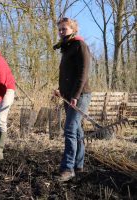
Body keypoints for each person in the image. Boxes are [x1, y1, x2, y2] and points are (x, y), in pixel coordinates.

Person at [53, 17, 92, 182]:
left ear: (73, 30)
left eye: (65, 29)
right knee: (76, 131)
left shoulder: (80, 45)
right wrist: (61, 90)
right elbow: (68, 74)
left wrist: (75, 96)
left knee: (69, 129)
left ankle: (68, 169)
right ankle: (78, 165)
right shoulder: (67, 47)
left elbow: (83, 74)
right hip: (68, 95)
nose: (61, 32)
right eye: (60, 29)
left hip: (80, 95)